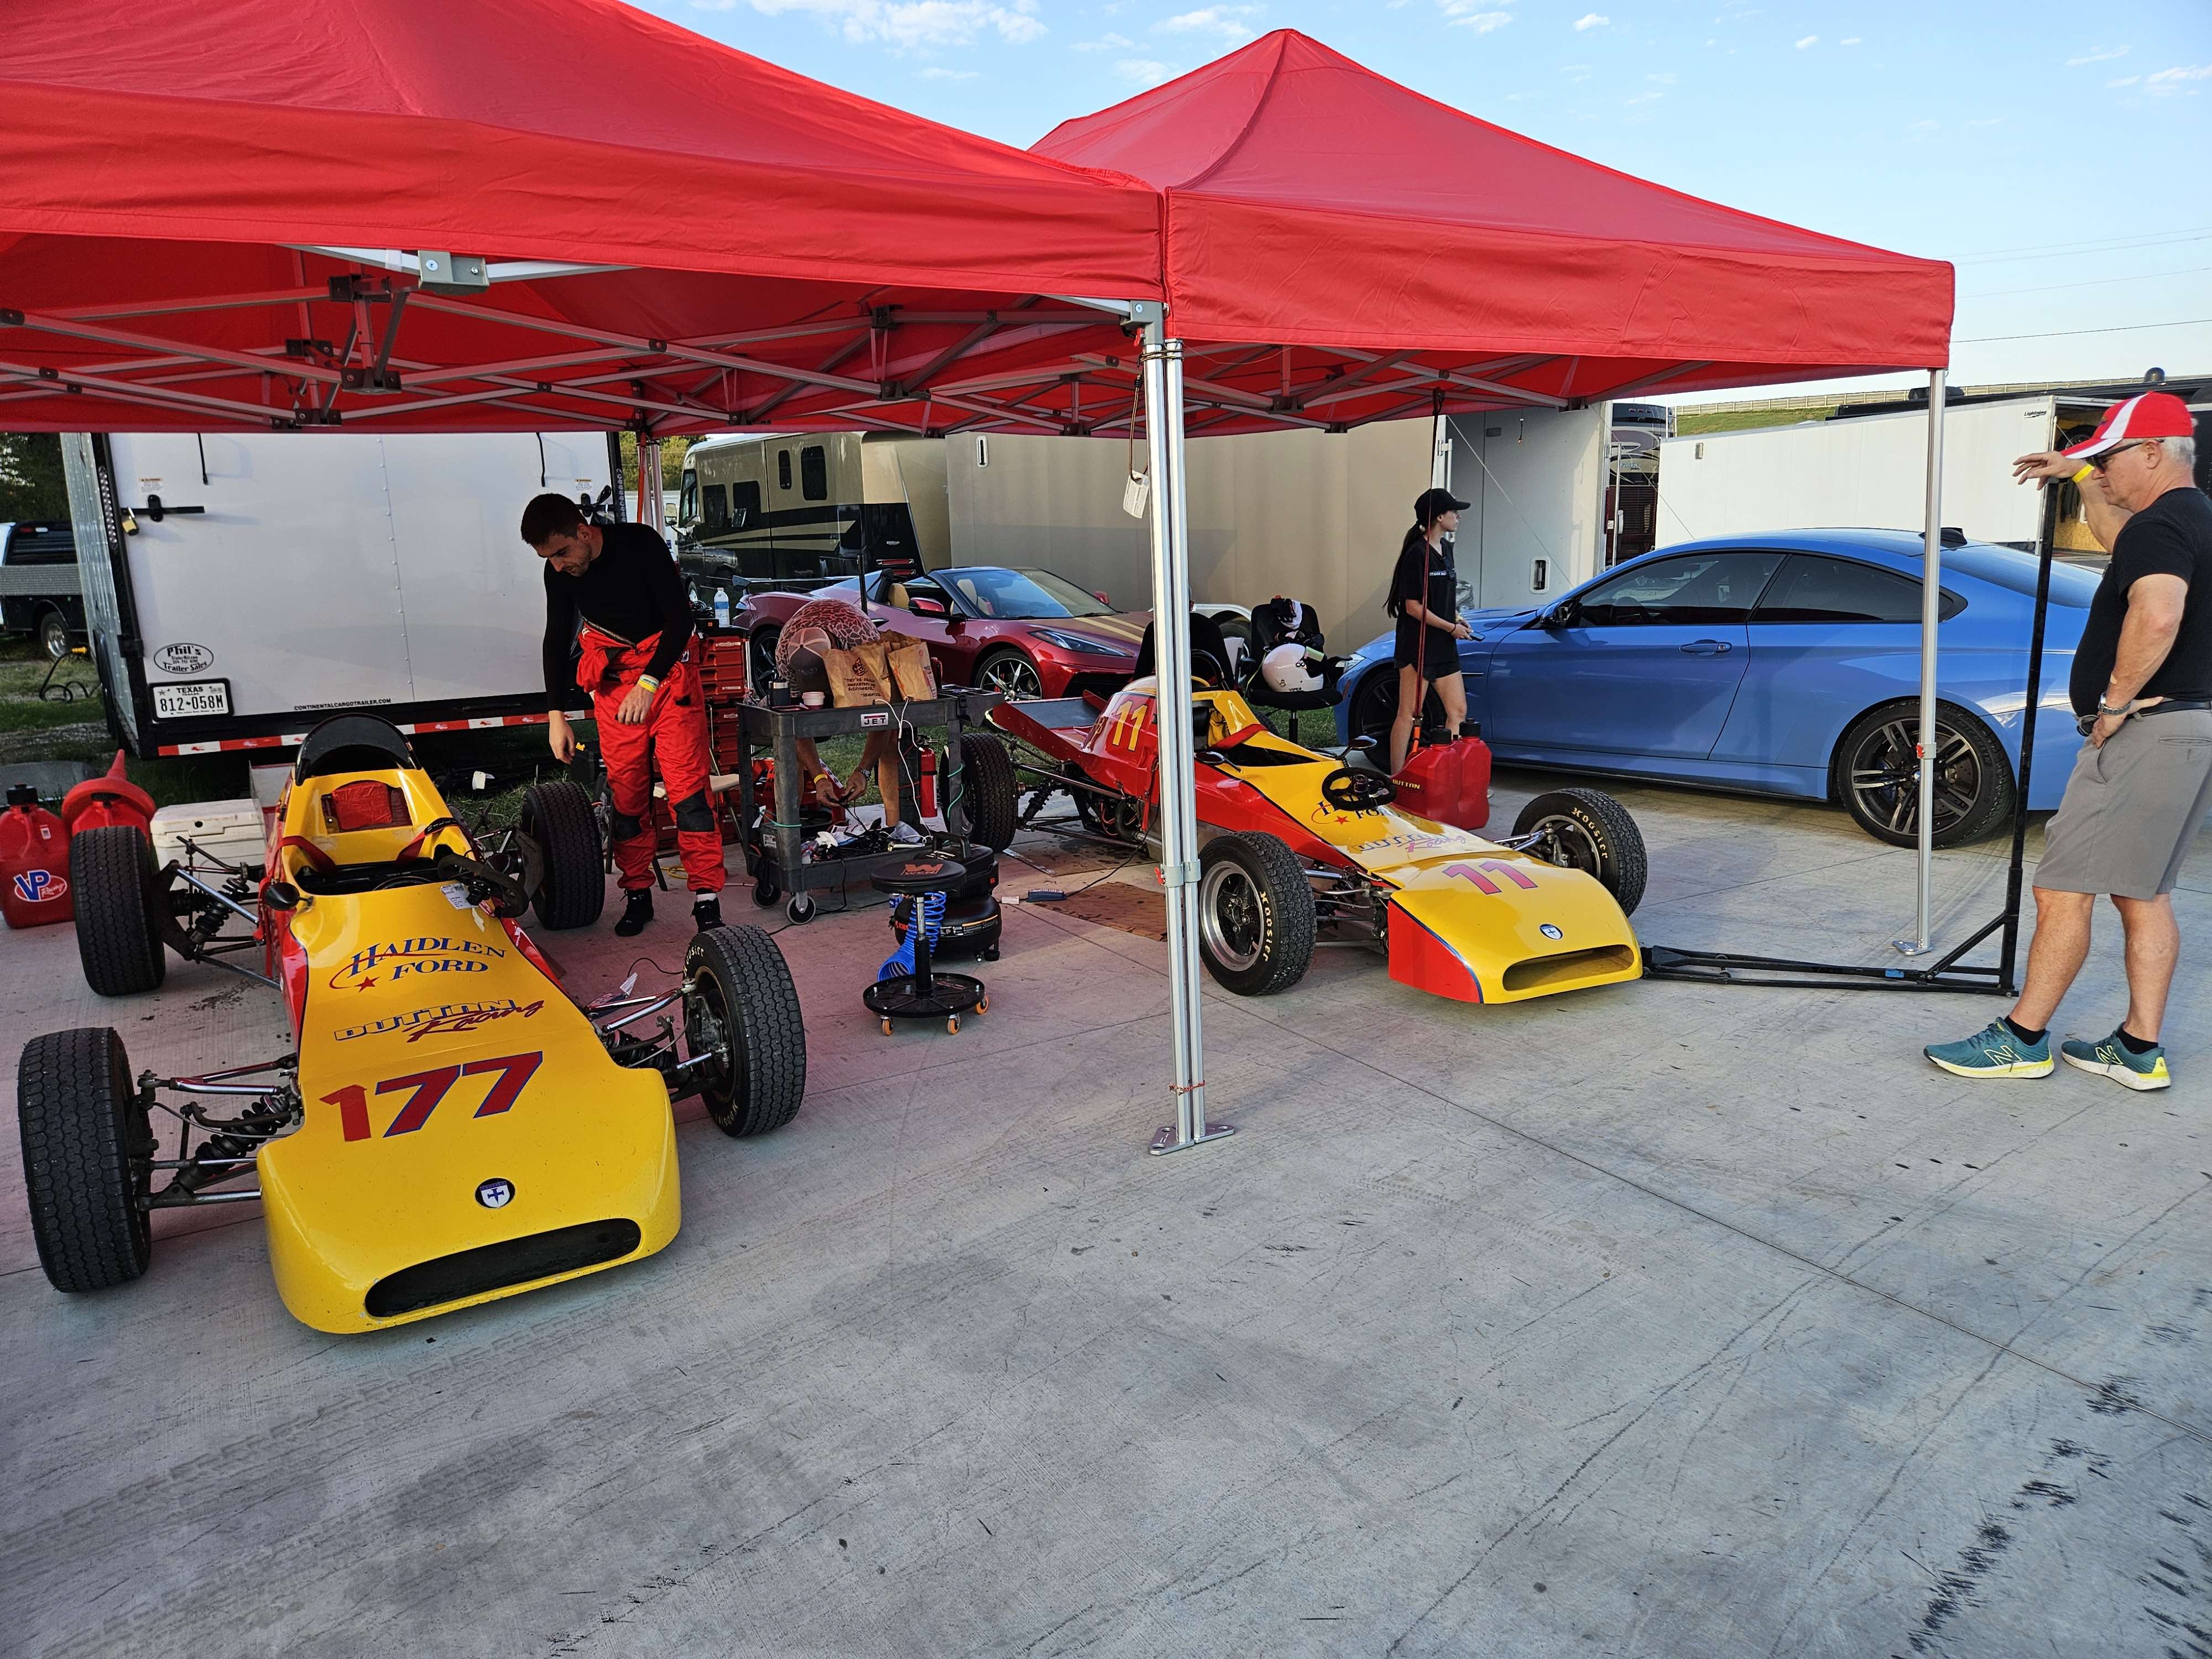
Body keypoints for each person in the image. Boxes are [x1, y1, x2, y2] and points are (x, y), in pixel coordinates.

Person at [1927, 392, 2212, 1090]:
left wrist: (2112, 705)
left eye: (2110, 458)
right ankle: (2138, 1048)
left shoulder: (2160, 524)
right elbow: (2120, 543)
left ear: (2153, 453)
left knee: (2061, 889)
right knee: (2143, 894)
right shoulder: (2193, 517)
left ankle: (2022, 1039)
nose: (2103, 472)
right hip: (2190, 728)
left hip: (2148, 731)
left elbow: (2158, 613)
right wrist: (2080, 475)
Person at [523, 493, 724, 937]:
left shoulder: (640, 544)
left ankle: (706, 897)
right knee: (627, 800)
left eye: (562, 553)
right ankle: (637, 894)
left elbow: (680, 621)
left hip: (667, 676)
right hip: (615, 685)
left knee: (688, 794)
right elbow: (556, 638)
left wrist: (649, 684)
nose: (558, 565)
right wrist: (556, 715)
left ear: (584, 532)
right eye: (548, 559)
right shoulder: (558, 572)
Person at [774, 595, 921, 845]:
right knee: (789, 750)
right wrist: (819, 778)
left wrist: (863, 771)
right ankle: (789, 837)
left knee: (890, 742)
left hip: (856, 658)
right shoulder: (784, 653)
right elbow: (793, 723)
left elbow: (883, 714)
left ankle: (895, 830)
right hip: (810, 647)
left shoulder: (862, 641)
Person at [1385, 487, 1474, 774]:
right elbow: (1413, 607)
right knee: (1410, 714)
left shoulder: (1446, 549)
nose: (1458, 516)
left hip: (1444, 644)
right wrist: (1450, 628)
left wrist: (1457, 619)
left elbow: (1442, 597)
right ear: (1438, 517)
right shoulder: (1417, 554)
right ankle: (1397, 777)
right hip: (1418, 646)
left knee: (1458, 711)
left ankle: (1450, 776)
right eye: (1454, 512)